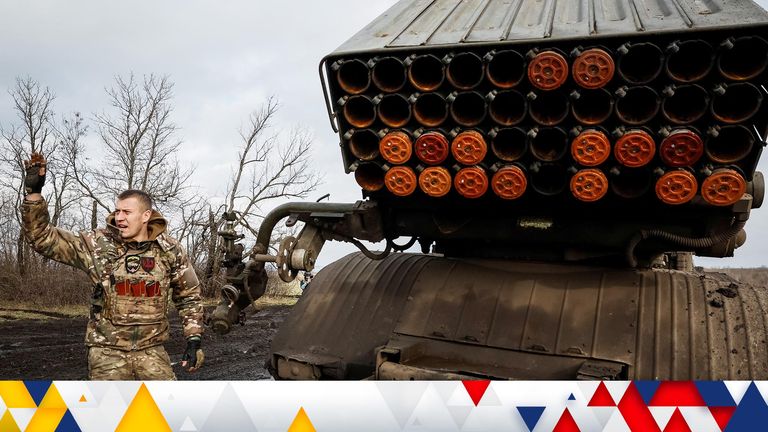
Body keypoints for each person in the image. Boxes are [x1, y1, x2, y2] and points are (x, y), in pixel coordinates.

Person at [20, 152, 204, 380]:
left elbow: (189, 296)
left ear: (146, 215)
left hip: (152, 351)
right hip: (107, 354)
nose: (119, 217)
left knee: (164, 411)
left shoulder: (169, 250)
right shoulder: (97, 244)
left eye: (127, 212)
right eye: (117, 211)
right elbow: (43, 239)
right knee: (108, 413)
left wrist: (194, 338)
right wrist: (34, 195)